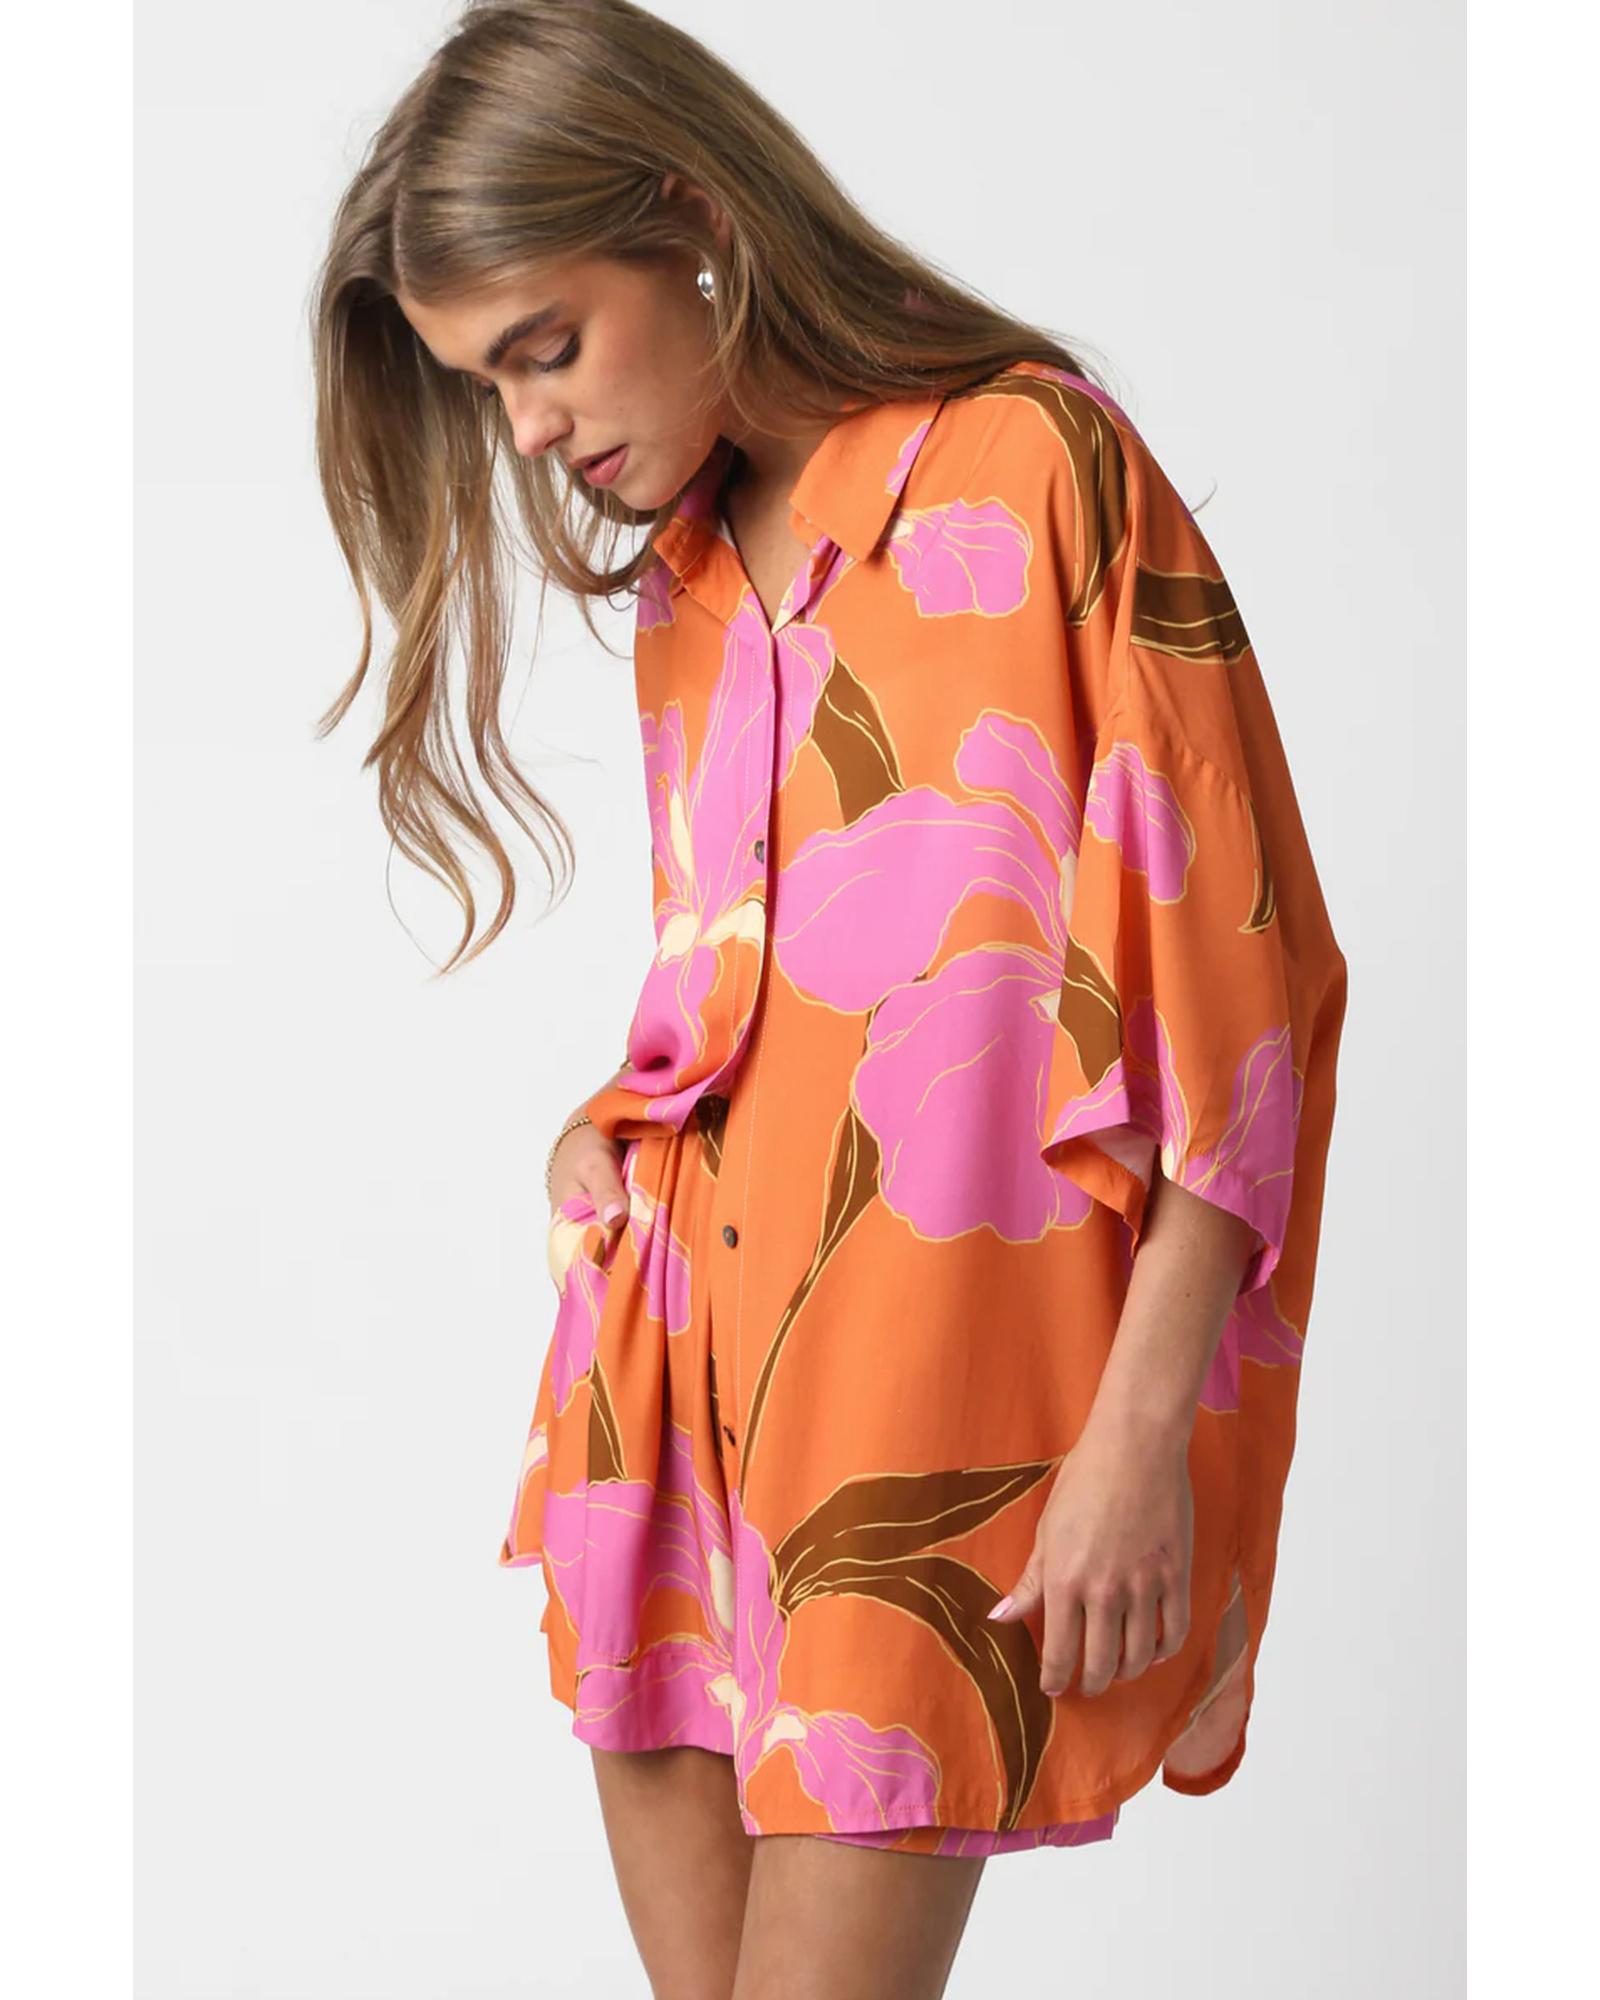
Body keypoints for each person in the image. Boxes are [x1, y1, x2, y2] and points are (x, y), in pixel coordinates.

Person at [308, 2, 1348, 1994]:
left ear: (690, 217)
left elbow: (1246, 979)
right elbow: (766, 989)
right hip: (667, 1390)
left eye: (544, 346)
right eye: (484, 381)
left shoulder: (1033, 468)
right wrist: (605, 1122)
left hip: (918, 1409)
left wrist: (1136, 1431)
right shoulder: (685, 586)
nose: (526, 429)